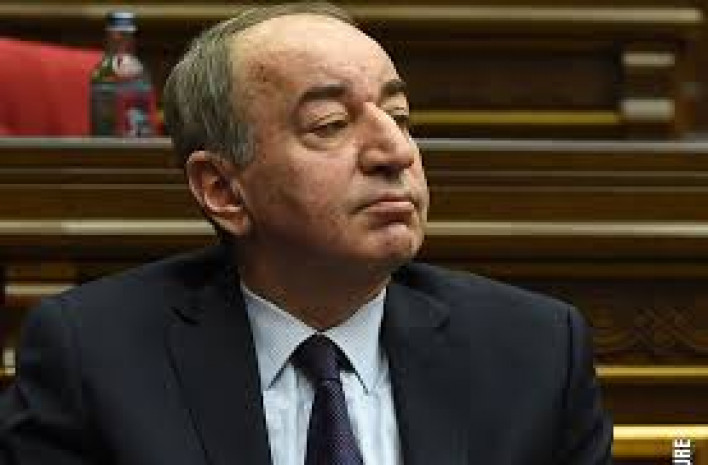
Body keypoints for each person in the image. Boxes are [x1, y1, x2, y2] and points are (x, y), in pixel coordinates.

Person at [0, 3, 612, 464]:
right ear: (222, 189)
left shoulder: (534, 351)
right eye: (330, 123)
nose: (395, 152)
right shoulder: (95, 359)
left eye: (399, 116)